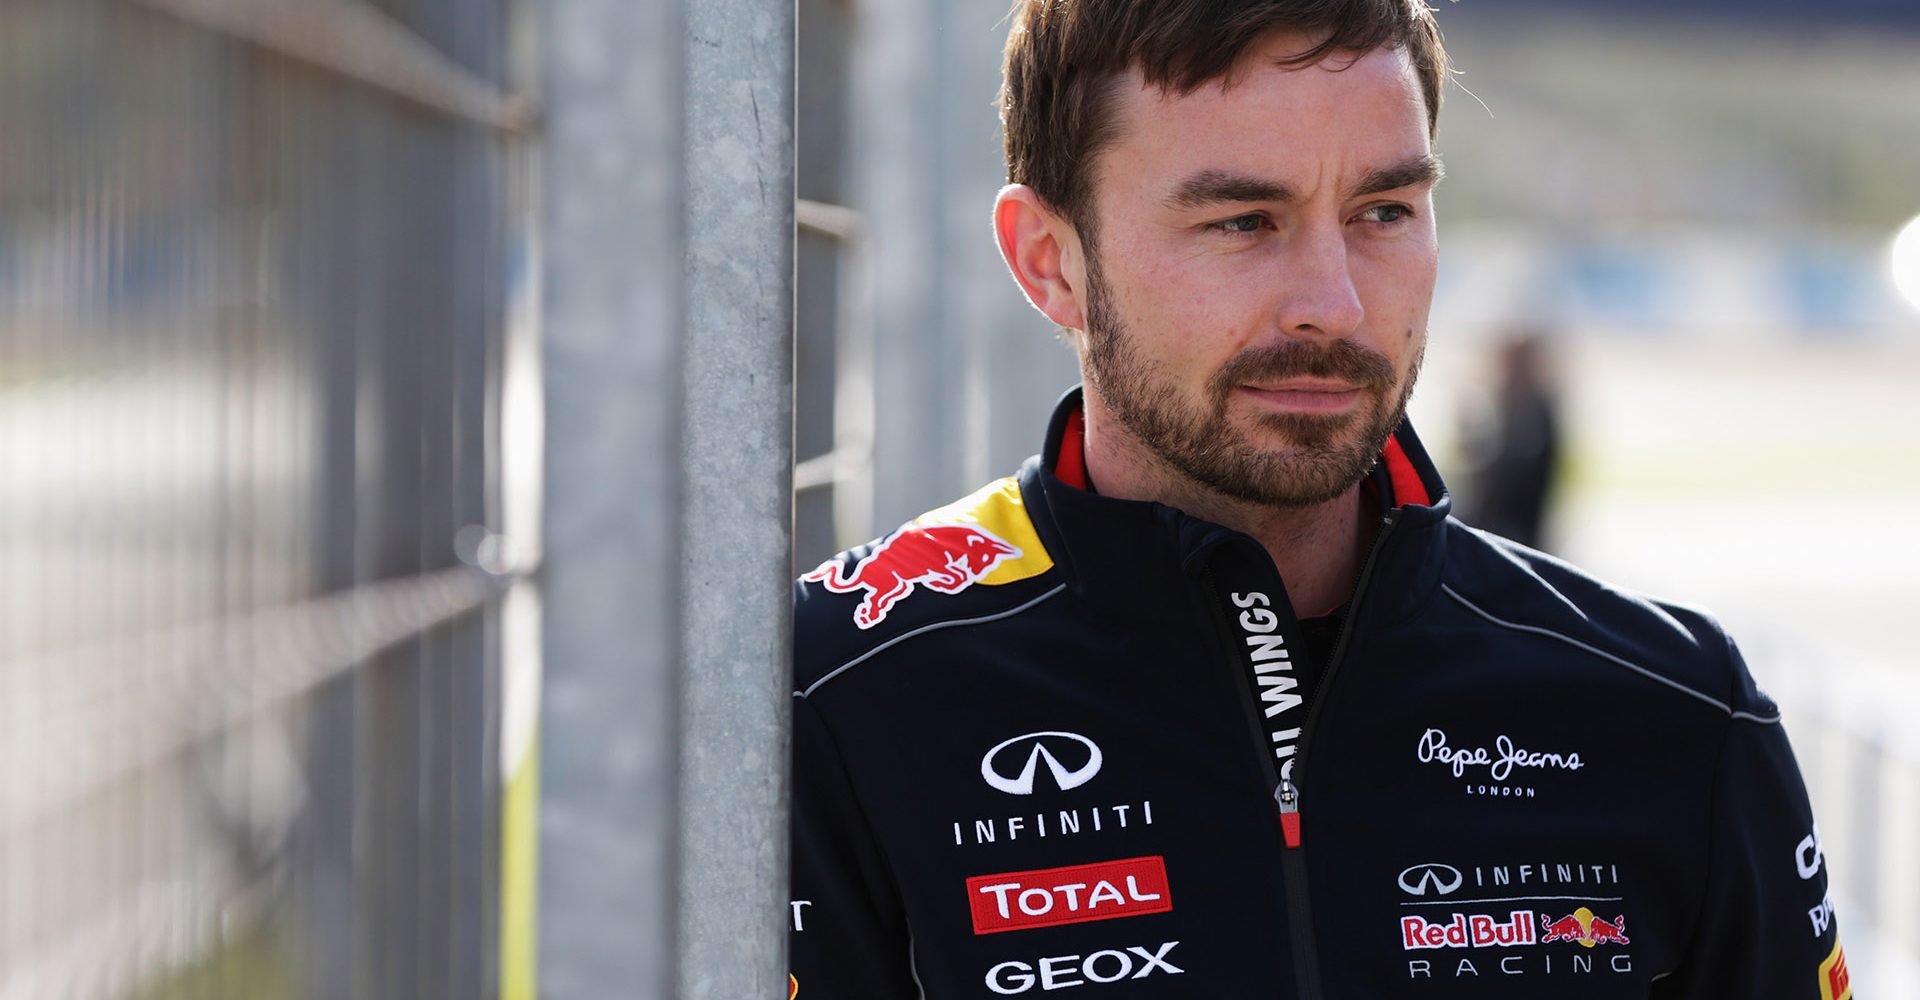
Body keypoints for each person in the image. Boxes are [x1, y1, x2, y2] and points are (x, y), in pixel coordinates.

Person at [789, 1, 1846, 997]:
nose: (1333, 305)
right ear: (1050, 262)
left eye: (1384, 211)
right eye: (1245, 221)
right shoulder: (844, 694)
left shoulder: (1675, 712)